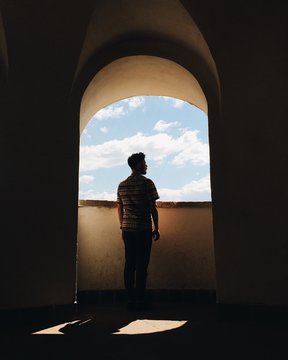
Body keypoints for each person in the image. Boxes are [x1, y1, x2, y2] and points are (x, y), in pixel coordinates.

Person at [117, 152, 160, 310]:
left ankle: (130, 298)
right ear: (137, 165)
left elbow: (119, 207)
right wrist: (156, 227)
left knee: (130, 263)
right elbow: (153, 208)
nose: (146, 165)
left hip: (127, 229)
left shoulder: (122, 185)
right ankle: (140, 299)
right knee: (142, 264)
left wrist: (122, 225)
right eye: (144, 162)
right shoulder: (147, 183)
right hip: (142, 229)